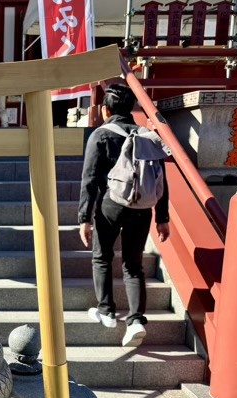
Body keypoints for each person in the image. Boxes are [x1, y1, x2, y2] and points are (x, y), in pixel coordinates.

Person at [78, 83, 171, 347]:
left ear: (105, 110)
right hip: (142, 208)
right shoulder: (147, 135)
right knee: (133, 265)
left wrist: (84, 218)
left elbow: (90, 180)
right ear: (131, 108)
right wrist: (162, 217)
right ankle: (136, 320)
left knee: (102, 257)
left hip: (111, 204)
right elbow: (161, 180)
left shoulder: (101, 135)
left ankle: (106, 311)